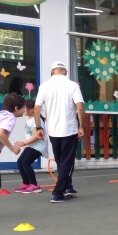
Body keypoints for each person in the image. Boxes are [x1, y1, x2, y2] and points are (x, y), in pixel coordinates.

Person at [34, 61, 85, 203]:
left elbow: (37, 108)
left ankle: (68, 187)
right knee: (66, 163)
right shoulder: (72, 85)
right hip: (69, 129)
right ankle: (58, 193)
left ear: (52, 72)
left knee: (60, 160)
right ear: (65, 72)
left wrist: (38, 128)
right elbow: (80, 107)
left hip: (52, 130)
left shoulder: (44, 86)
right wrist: (81, 127)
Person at [14, 99, 49, 193]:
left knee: (25, 163)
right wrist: (26, 144)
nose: (23, 109)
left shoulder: (36, 120)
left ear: (32, 110)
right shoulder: (29, 118)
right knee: (20, 162)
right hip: (31, 145)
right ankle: (26, 183)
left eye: (25, 108)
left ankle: (35, 185)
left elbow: (36, 136)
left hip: (38, 146)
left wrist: (24, 143)